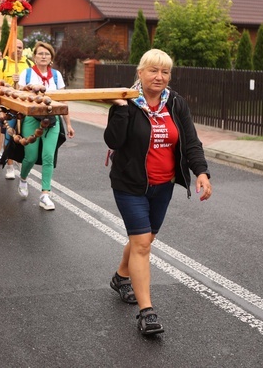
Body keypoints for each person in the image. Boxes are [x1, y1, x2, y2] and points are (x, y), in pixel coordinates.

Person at [103, 48, 212, 336]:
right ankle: (146, 312)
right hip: (130, 184)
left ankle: (121, 277)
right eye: (153, 70)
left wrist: (201, 172)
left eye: (165, 72)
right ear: (140, 72)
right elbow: (113, 139)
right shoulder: (127, 101)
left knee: (145, 238)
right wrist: (122, 109)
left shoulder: (175, 103)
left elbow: (190, 142)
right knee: (142, 245)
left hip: (163, 186)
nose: (159, 76)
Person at [16, 42, 75, 210]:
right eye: (40, 53)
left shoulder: (56, 75)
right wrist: (28, 88)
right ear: (34, 57)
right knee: (31, 156)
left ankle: (45, 194)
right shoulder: (26, 73)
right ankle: (23, 178)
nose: (43, 56)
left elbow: (63, 101)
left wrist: (68, 123)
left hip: (52, 119)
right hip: (32, 119)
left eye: (47, 54)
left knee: (49, 156)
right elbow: (18, 97)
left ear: (51, 58)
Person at [0, 39, 31, 174]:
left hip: (25, 106)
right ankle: (9, 165)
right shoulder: (1, 65)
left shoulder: (29, 64)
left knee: (25, 135)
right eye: (16, 47)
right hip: (8, 107)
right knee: (9, 135)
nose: (19, 50)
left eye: (21, 47)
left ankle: (21, 162)